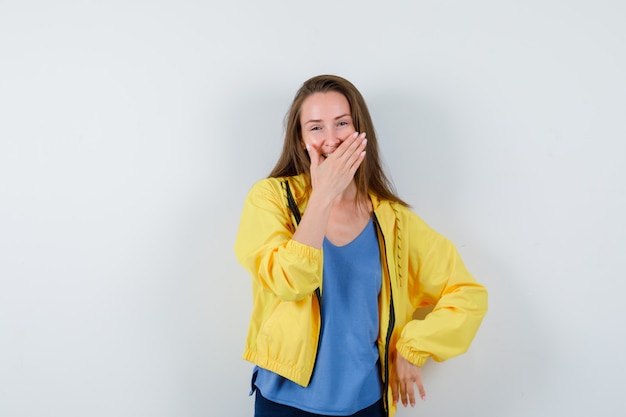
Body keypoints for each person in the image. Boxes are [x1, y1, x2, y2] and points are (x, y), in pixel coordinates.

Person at [234, 74, 488, 417]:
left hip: (366, 404)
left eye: (341, 123)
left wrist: (414, 348)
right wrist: (323, 194)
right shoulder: (270, 199)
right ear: (300, 139)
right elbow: (289, 282)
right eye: (315, 127)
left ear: (360, 130)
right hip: (284, 402)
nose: (331, 139)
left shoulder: (395, 223)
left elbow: (467, 295)